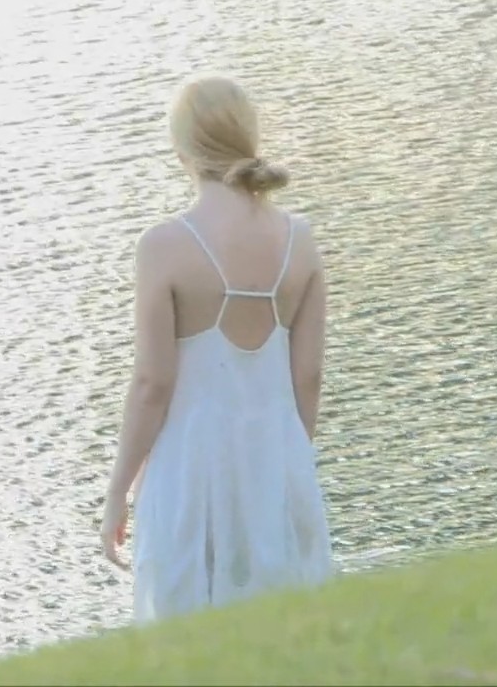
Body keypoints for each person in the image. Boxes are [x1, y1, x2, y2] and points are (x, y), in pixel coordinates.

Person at [100, 74, 336, 622]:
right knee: (286, 633)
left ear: (181, 149)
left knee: (189, 642)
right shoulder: (299, 241)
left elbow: (152, 385)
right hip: (277, 466)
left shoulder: (163, 246)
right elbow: (308, 378)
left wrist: (118, 493)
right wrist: (287, 461)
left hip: (187, 471)